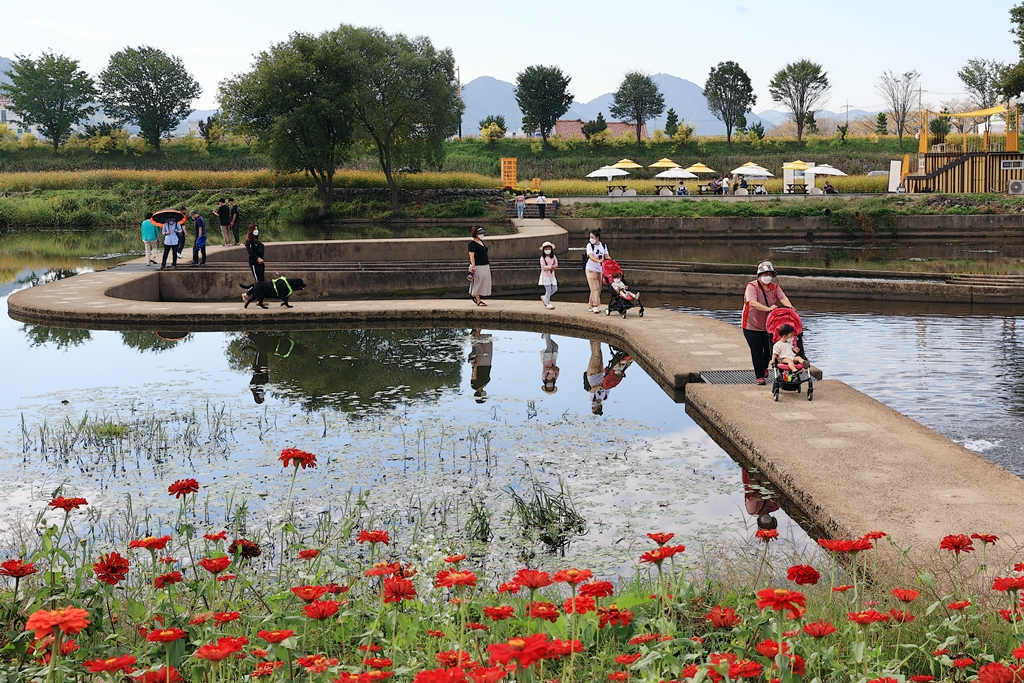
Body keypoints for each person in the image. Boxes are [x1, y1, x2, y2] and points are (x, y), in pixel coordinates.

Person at [742, 260, 795, 385]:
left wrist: (790, 307)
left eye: (770, 274)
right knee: (756, 350)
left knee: (770, 349)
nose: (768, 277)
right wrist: (768, 309)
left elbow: (783, 298)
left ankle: (764, 367)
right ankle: (759, 376)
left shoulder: (775, 287)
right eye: (766, 274)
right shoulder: (752, 286)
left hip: (769, 325)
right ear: (760, 274)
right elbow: (752, 303)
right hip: (751, 325)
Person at [585, 229, 608, 314]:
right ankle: (595, 305)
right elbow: (591, 256)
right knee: (595, 287)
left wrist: (611, 261)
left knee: (598, 288)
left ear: (597, 238)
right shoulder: (589, 245)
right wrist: (598, 261)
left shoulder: (603, 245)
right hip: (591, 269)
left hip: (600, 269)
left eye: (592, 237)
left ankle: (591, 305)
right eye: (590, 237)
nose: (591, 239)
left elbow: (606, 255)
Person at [468, 225, 491, 306]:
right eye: (480, 233)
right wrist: (473, 266)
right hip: (478, 265)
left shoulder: (481, 242)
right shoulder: (472, 244)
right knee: (477, 282)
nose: (482, 235)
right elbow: (471, 255)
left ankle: (477, 296)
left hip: (485, 264)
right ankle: (477, 299)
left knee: (483, 281)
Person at [469, 329, 492, 403]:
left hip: (480, 365)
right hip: (487, 364)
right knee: (486, 348)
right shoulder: (484, 385)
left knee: (478, 349)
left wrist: (475, 366)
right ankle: (477, 332)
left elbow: (474, 376)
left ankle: (477, 331)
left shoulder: (474, 386)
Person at [585, 340, 608, 415]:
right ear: (599, 406)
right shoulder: (605, 397)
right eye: (594, 408)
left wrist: (600, 386)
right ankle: (592, 337)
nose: (592, 406)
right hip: (601, 373)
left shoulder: (591, 398)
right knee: (598, 353)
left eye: (592, 408)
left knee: (596, 356)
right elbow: (607, 386)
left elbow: (592, 389)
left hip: (592, 375)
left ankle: (598, 338)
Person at [538, 240, 558, 309]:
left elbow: (556, 263)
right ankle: (548, 303)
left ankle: (545, 297)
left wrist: (555, 266)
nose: (547, 250)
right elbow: (543, 267)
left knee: (555, 288)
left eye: (549, 249)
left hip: (552, 276)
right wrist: (551, 267)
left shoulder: (553, 256)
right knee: (548, 289)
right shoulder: (542, 258)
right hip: (545, 276)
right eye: (546, 249)